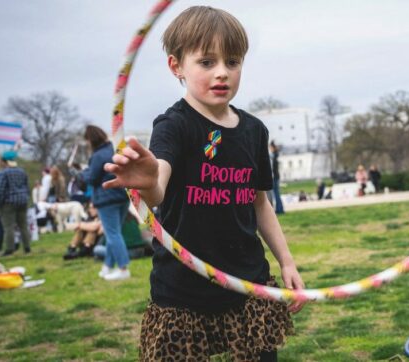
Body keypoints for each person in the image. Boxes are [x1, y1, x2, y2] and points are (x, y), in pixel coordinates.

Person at [102, 7, 304, 361]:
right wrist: (149, 182)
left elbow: (259, 203)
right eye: (207, 62)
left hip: (248, 284)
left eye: (233, 61)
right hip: (183, 291)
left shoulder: (254, 130)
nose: (222, 72)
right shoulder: (174, 125)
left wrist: (286, 261)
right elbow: (159, 184)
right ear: (176, 66)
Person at [82, 125, 131, 281]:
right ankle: (107, 267)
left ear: (91, 140)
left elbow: (92, 178)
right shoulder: (115, 149)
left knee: (112, 234)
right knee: (114, 233)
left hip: (106, 199)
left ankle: (123, 269)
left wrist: (83, 173)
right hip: (122, 196)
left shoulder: (97, 156)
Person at [0, 151, 32, 257]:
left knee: (8, 227)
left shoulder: (3, 173)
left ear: (4, 162)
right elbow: (27, 187)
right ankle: (27, 248)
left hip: (8, 203)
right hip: (22, 201)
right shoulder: (22, 171)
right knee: (23, 225)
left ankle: (9, 249)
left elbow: (0, 190)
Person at [269, 140, 285, 214]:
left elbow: (272, 168)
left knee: (276, 194)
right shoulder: (276, 155)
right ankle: (279, 208)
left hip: (274, 177)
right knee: (277, 194)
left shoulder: (273, 156)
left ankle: (280, 209)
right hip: (276, 176)